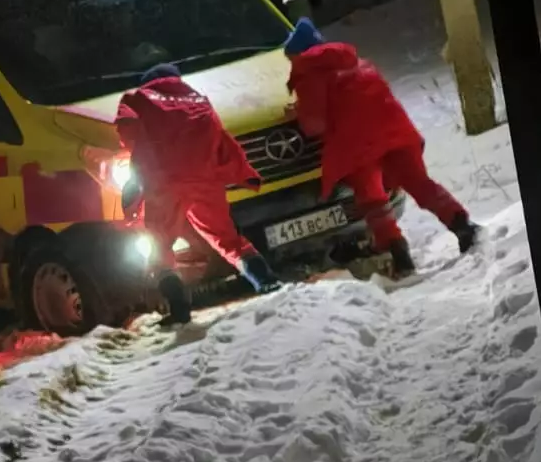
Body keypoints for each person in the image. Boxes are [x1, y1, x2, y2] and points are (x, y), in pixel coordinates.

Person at [283, 18, 479, 277]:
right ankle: (462, 225)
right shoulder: (355, 61)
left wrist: (297, 113)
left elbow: (314, 125)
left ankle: (399, 255)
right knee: (419, 183)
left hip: (357, 144)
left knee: (373, 200)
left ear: (297, 53)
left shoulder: (309, 73)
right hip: (396, 132)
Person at [116, 64, 281, 323]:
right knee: (228, 240)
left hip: (164, 185)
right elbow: (222, 139)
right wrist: (243, 171)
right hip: (205, 182)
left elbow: (127, 135)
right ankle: (266, 282)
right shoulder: (199, 101)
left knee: (160, 249)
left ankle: (179, 310)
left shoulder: (135, 99)